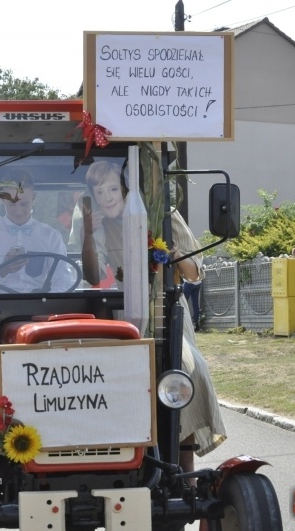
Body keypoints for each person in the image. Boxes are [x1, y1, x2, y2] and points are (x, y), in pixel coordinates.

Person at [79, 160, 226, 476]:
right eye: (99, 192)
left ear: (126, 189)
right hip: (126, 315)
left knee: (186, 370)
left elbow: (195, 273)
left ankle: (185, 475)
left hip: (167, 310)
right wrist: (87, 233)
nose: (107, 197)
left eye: (113, 188)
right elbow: (92, 276)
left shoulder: (163, 216)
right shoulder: (98, 229)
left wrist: (172, 254)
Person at [0, 170, 75, 294]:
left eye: (24, 204)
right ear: (2, 198)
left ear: (34, 197)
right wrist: (1, 270)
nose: (18, 212)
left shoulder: (51, 236)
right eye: (12, 204)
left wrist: (47, 300)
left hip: (39, 303)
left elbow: (64, 281)